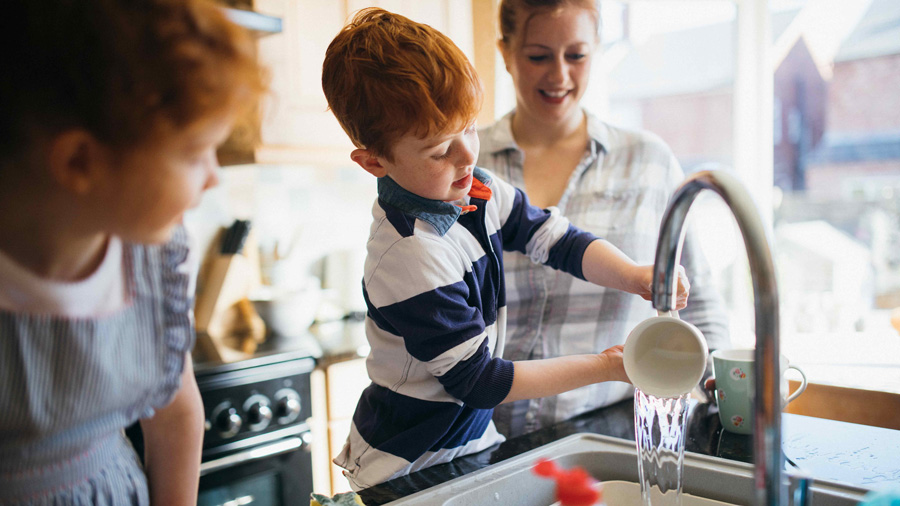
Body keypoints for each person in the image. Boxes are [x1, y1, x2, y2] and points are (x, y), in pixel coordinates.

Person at [321, 7, 690, 490]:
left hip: (469, 447)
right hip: (407, 466)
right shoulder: (409, 255)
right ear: (373, 161)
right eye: (439, 149)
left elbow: (558, 240)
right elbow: (481, 381)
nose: (467, 155)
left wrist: (634, 275)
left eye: (469, 128)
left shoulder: (474, 189)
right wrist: (607, 367)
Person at [0, 0, 265, 504]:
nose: (214, 175)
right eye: (193, 153)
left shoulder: (151, 261)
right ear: (80, 161)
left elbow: (177, 417)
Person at [477, 0, 730, 437]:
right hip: (483, 438)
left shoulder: (648, 162)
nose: (559, 76)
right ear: (505, 52)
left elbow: (700, 307)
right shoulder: (465, 164)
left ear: (596, 49)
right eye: (538, 56)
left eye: (576, 55)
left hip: (615, 431)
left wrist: (726, 395)